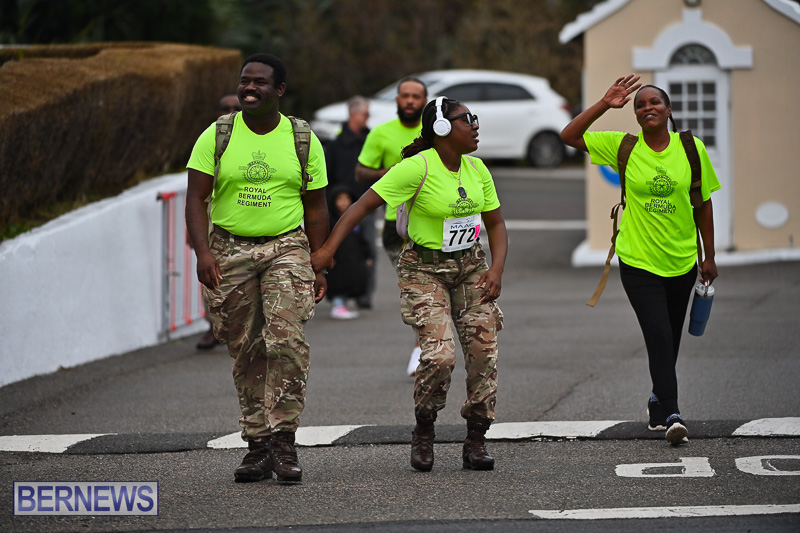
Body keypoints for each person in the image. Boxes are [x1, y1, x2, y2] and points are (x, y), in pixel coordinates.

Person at [313, 97, 508, 472]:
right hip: (424, 270)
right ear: (442, 128)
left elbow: (496, 224)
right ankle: (424, 427)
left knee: (484, 354)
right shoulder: (414, 168)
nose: (476, 125)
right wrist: (326, 254)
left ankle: (477, 438)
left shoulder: (478, 168)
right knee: (439, 356)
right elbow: (359, 207)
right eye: (468, 119)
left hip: (470, 268)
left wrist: (496, 269)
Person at [185, 53, 329, 483]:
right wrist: (202, 254)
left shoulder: (303, 139)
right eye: (245, 81)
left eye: (260, 83)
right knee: (245, 347)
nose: (249, 88)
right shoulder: (217, 136)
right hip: (229, 249)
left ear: (279, 90)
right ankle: (257, 444)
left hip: (286, 246)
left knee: (285, 341)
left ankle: (285, 441)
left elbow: (317, 206)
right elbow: (196, 199)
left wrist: (319, 263)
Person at [560, 74, 720, 446]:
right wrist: (604, 103)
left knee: (671, 338)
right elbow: (568, 136)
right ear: (634, 115)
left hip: (682, 259)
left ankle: (656, 400)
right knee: (659, 334)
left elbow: (704, 203)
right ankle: (673, 413)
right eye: (640, 104)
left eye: (655, 103)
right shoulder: (623, 147)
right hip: (637, 259)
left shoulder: (691, 148)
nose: (647, 107)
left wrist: (708, 256)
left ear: (668, 110)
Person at [355, 77, 428, 375]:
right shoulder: (381, 134)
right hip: (395, 228)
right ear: (397, 100)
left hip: (434, 225)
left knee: (428, 289)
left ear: (425, 101)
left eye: (416, 96)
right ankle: (422, 345)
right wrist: (395, 172)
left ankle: (423, 347)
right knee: (415, 290)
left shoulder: (435, 134)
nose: (410, 101)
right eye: (405, 96)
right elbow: (360, 173)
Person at [196, 92, 242, 351]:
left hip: (243, 222)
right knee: (211, 279)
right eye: (225, 107)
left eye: (235, 107)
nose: (230, 111)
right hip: (213, 220)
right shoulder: (210, 139)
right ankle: (213, 326)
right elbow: (196, 193)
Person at [324, 96, 374, 309]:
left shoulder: (371, 140)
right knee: (341, 250)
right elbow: (327, 175)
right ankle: (340, 293)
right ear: (354, 114)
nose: (368, 118)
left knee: (367, 249)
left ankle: (364, 292)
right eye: (365, 114)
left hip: (368, 203)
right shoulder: (336, 145)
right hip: (340, 207)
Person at [326, 185, 373, 319]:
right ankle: (338, 305)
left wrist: (367, 255)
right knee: (337, 281)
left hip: (353, 258)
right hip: (337, 259)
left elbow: (363, 240)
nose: (343, 202)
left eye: (346, 199)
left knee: (350, 280)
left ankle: (343, 304)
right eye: (339, 199)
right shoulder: (330, 221)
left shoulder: (356, 221)